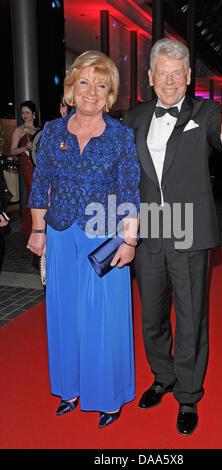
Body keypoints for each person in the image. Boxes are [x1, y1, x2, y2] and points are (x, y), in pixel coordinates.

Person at [123, 38, 222, 435]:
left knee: (191, 315)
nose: (170, 81)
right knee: (152, 313)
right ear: (150, 77)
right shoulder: (133, 118)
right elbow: (119, 171)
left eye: (179, 73)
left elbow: (220, 134)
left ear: (189, 77)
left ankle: (188, 394)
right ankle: (163, 375)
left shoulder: (206, 112)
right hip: (149, 227)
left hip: (189, 226)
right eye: (163, 73)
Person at [27, 50, 140, 428]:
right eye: (84, 82)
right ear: (72, 87)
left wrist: (129, 241)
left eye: (101, 84)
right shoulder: (54, 132)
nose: (91, 91)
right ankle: (69, 388)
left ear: (110, 94)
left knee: (104, 318)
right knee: (63, 313)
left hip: (104, 238)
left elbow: (129, 192)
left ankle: (108, 395)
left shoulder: (122, 137)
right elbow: (41, 182)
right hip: (60, 235)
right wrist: (38, 230)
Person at [10, 101, 40, 239]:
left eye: (27, 112)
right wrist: (26, 148)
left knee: (42, 194)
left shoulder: (40, 130)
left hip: (40, 165)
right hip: (27, 165)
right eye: (22, 113)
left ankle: (41, 226)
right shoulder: (19, 130)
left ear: (34, 114)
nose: (24, 115)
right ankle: (31, 229)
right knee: (32, 193)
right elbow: (12, 151)